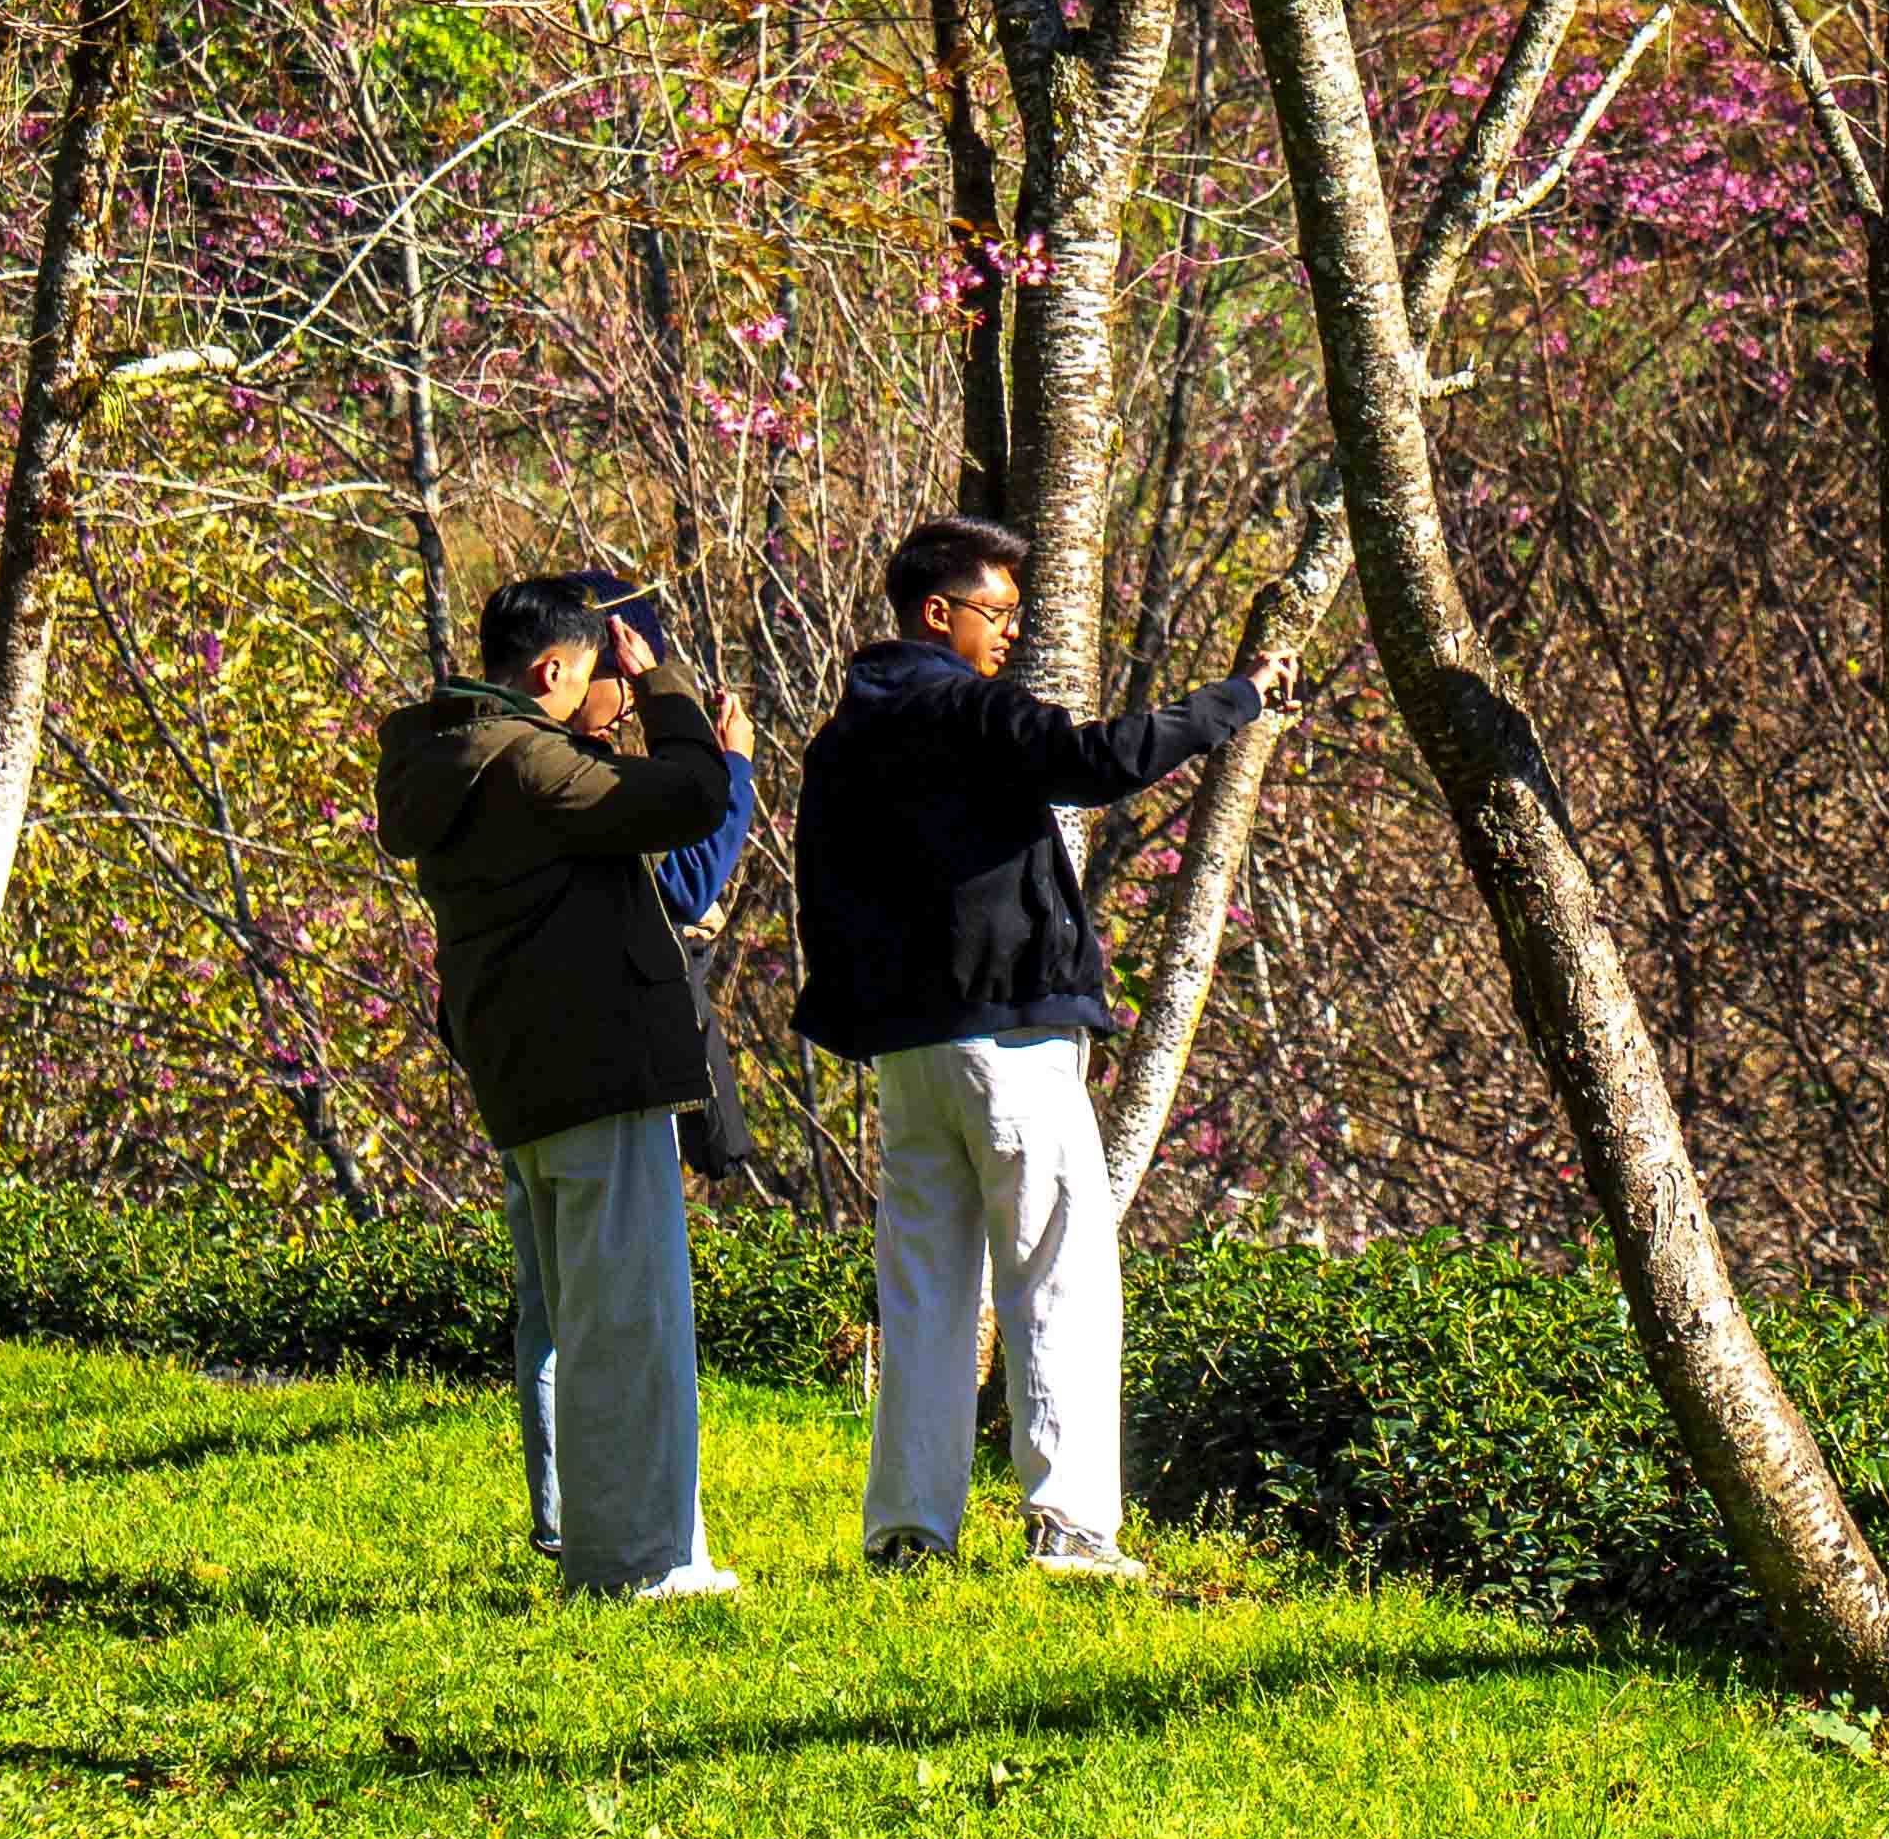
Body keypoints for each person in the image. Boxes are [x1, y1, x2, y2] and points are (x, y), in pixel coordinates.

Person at [789, 514, 1265, 1575]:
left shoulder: (841, 737)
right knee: (1057, 1274)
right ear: (936, 612)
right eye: (996, 613)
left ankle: (908, 1533)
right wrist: (1230, 701)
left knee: (923, 1288)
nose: (1008, 634)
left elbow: (819, 888)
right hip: (1005, 1037)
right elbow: (1092, 762)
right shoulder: (965, 706)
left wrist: (855, 1014)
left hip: (907, 1050)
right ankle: (1069, 1527)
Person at [376, 565, 751, 1602]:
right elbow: (691, 796)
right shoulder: (530, 768)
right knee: (625, 1324)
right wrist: (667, 686)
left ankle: (624, 1548)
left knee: (586, 1319)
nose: (617, 702)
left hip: (534, 1073)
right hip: (593, 1070)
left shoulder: (454, 759)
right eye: (605, 681)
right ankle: (635, 1563)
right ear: (552, 669)